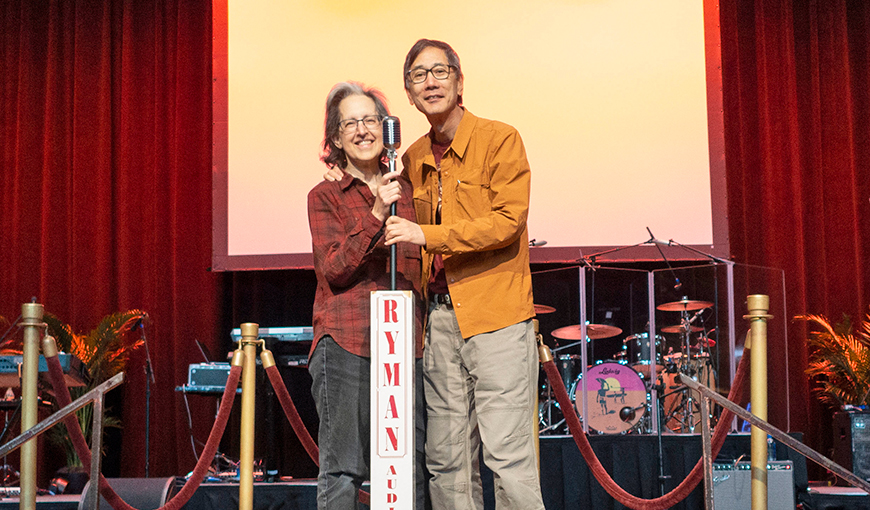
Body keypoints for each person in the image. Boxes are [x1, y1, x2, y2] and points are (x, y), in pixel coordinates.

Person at [383, 39, 545, 510]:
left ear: (458, 79)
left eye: (439, 71)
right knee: (447, 461)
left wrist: (428, 234)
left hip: (497, 318)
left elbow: (507, 221)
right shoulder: (410, 157)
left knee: (508, 457)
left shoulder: (500, 138)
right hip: (439, 324)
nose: (430, 82)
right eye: (418, 76)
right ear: (409, 95)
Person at [307, 82, 427, 509]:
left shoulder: (408, 190)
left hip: (407, 347)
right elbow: (335, 269)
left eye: (370, 120)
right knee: (343, 470)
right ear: (336, 138)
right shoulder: (325, 196)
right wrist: (376, 213)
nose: (362, 130)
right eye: (349, 123)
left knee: (407, 466)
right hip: (347, 344)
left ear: (386, 128)